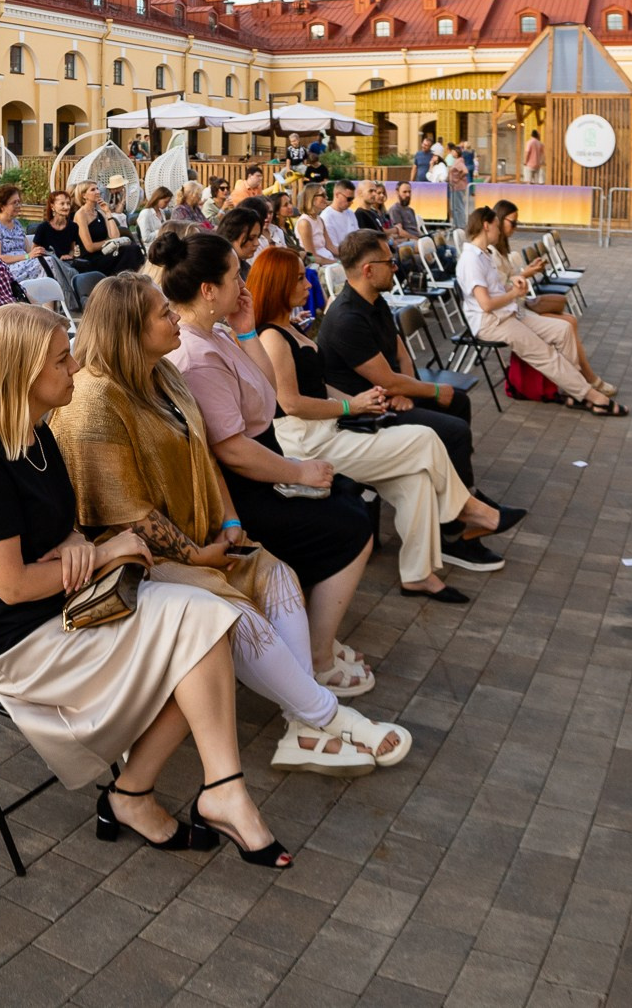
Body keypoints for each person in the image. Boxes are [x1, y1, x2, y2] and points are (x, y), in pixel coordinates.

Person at [0, 304, 290, 864]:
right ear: (25, 372)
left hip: (64, 603)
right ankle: (175, 792)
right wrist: (101, 552)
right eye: (61, 359)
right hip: (17, 641)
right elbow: (13, 588)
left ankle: (191, 789)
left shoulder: (36, 434)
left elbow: (60, 530)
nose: (75, 366)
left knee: (205, 623)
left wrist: (79, 543)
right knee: (198, 627)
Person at [49, 276, 401, 775]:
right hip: (135, 557)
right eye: (162, 315)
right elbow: (125, 512)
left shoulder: (161, 375)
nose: (175, 320)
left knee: (274, 570)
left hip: (199, 535)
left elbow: (207, 451)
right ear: (130, 329)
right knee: (235, 611)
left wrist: (231, 519)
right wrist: (195, 556)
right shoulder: (94, 401)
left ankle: (303, 724)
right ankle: (323, 715)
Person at [154, 231, 382, 689]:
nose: (244, 283)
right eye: (237, 274)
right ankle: (316, 658)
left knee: (351, 501)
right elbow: (231, 449)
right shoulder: (195, 354)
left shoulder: (212, 331)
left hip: (261, 461)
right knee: (352, 526)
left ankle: (316, 637)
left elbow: (264, 387)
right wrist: (299, 471)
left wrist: (245, 327)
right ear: (208, 289)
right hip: (243, 487)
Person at [246, 248, 504, 601]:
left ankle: (418, 575)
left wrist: (363, 402)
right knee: (424, 438)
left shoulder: (288, 328)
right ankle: (469, 509)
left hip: (326, 432)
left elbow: (317, 386)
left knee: (416, 479)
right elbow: (290, 403)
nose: (307, 283)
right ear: (277, 284)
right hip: (307, 445)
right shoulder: (273, 337)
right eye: (298, 278)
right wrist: (350, 405)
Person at [320, 230, 510, 573]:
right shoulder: (346, 316)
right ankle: (455, 532)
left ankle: (456, 502)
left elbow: (398, 350)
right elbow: (385, 379)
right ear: (367, 270)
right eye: (389, 261)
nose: (395, 267)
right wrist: (429, 391)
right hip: (368, 412)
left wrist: (411, 390)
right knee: (451, 429)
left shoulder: (373, 300)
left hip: (392, 396)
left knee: (459, 404)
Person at [460, 208, 623, 413]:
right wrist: (513, 293)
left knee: (563, 330)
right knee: (544, 353)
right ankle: (592, 396)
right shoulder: (471, 260)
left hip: (507, 314)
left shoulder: (484, 255)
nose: (499, 231)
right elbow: (486, 304)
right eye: (496, 225)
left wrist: (514, 283)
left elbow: (495, 292)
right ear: (486, 225)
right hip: (492, 322)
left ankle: (575, 391)